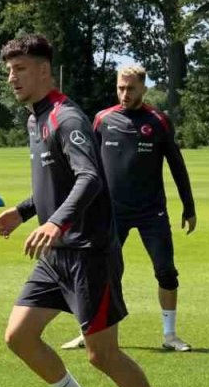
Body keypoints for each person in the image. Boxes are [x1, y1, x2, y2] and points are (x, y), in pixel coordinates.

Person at [0, 34, 186, 387]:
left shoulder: (68, 118)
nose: (11, 77)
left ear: (44, 71)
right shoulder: (35, 119)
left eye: (20, 69)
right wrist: (24, 212)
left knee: (102, 355)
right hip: (56, 255)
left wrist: (56, 222)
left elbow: (89, 178)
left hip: (89, 254)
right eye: (9, 70)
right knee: (19, 337)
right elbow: (54, 183)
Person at [60, 65, 197, 352]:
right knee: (99, 272)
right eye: (120, 88)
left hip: (152, 212)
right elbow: (85, 167)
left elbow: (177, 165)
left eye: (130, 88)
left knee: (166, 271)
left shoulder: (158, 121)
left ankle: (170, 335)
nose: (124, 93)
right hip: (111, 212)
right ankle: (89, 333)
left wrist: (188, 205)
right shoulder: (102, 120)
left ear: (143, 89)